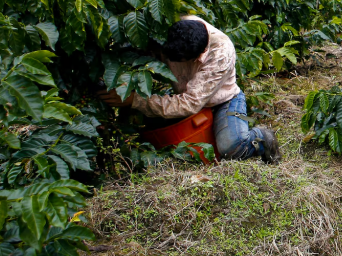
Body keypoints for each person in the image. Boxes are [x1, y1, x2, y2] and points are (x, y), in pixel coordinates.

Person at [97, 17, 280, 163]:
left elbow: (190, 103)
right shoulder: (178, 30)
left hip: (223, 100)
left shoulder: (221, 53)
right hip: (185, 97)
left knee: (231, 147)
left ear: (198, 56)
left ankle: (262, 137)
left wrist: (135, 100)